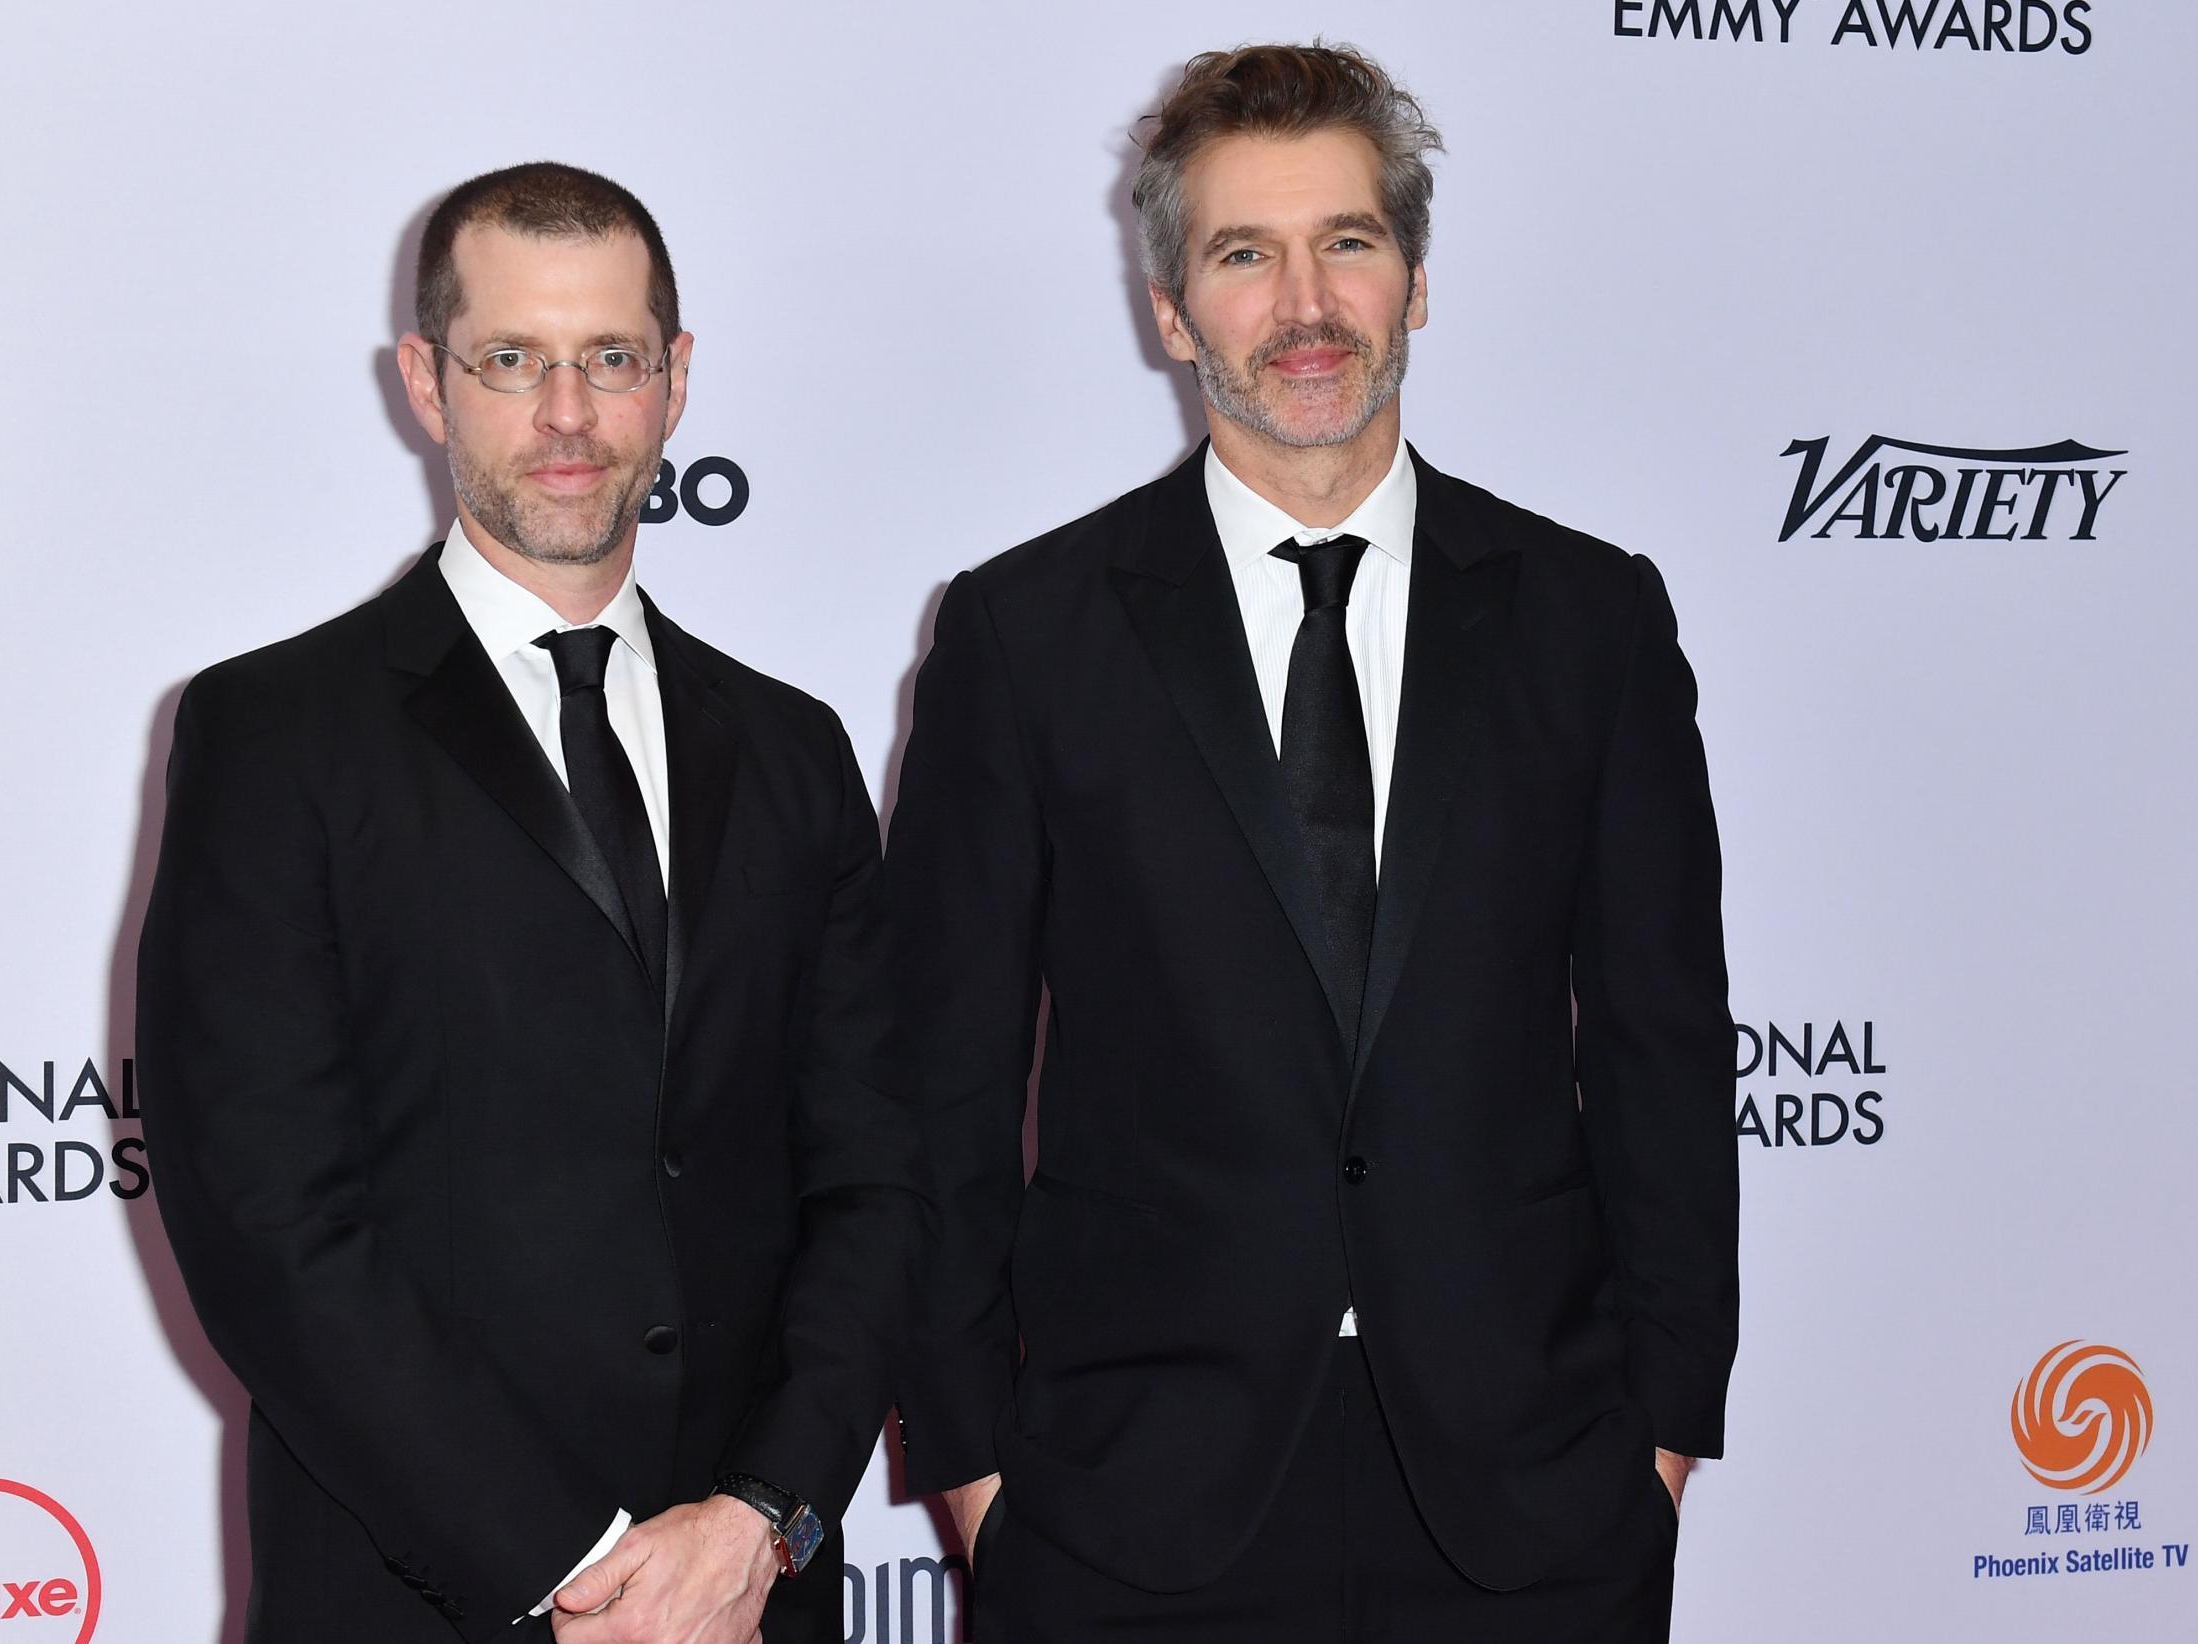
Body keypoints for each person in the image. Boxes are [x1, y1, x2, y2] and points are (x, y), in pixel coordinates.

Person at [885, 43, 1737, 1642]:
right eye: (1240, 254)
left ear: (1415, 280)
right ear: (1167, 310)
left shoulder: (1587, 619)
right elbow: (939, 1086)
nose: (1303, 304)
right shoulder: (1027, 635)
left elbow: (1665, 1053)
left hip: (1535, 1508)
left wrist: (1661, 1441)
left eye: (1346, 243)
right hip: (1126, 1513)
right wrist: (981, 1475)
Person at [137, 162, 923, 1644]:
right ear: (425, 385)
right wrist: (577, 1571)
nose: (566, 416)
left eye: (610, 359)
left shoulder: (791, 748)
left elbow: (872, 1180)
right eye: (511, 361)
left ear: (674, 383)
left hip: (743, 1598)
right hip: (425, 1595)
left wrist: (763, 1518)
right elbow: (269, 1224)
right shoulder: (274, 734)